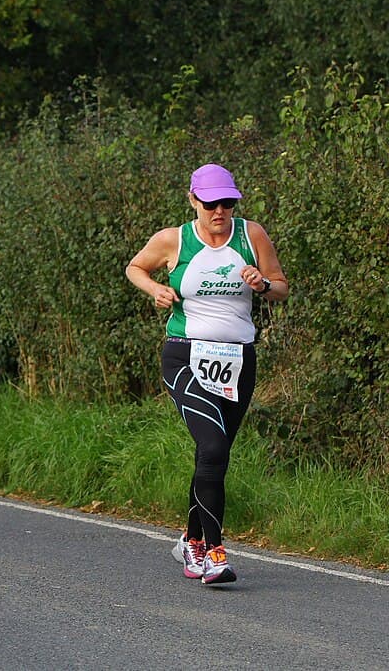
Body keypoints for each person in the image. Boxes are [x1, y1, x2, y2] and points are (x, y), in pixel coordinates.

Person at [125, 163, 289, 584]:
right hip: (185, 355)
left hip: (238, 359)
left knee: (214, 456)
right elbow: (135, 268)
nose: (220, 211)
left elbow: (282, 285)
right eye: (211, 203)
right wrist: (156, 289)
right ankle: (215, 554)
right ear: (194, 200)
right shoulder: (173, 240)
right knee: (213, 448)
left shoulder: (251, 235)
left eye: (228, 203)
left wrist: (263, 285)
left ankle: (191, 541)